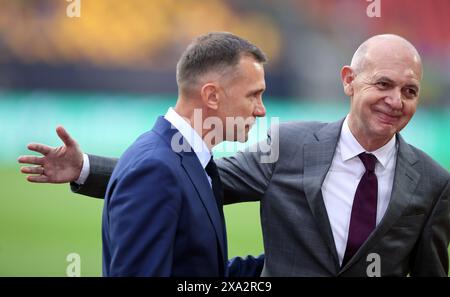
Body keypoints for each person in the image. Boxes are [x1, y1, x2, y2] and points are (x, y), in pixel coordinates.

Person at [19, 34, 450, 276]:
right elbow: (193, 177)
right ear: (349, 81)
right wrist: (89, 169)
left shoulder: (433, 182)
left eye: (409, 91)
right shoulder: (290, 146)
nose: (396, 101)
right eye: (383, 85)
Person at [20, 32, 267, 277]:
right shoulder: (156, 169)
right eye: (253, 95)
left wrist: (291, 261)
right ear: (212, 96)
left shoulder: (188, 161)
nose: (261, 110)